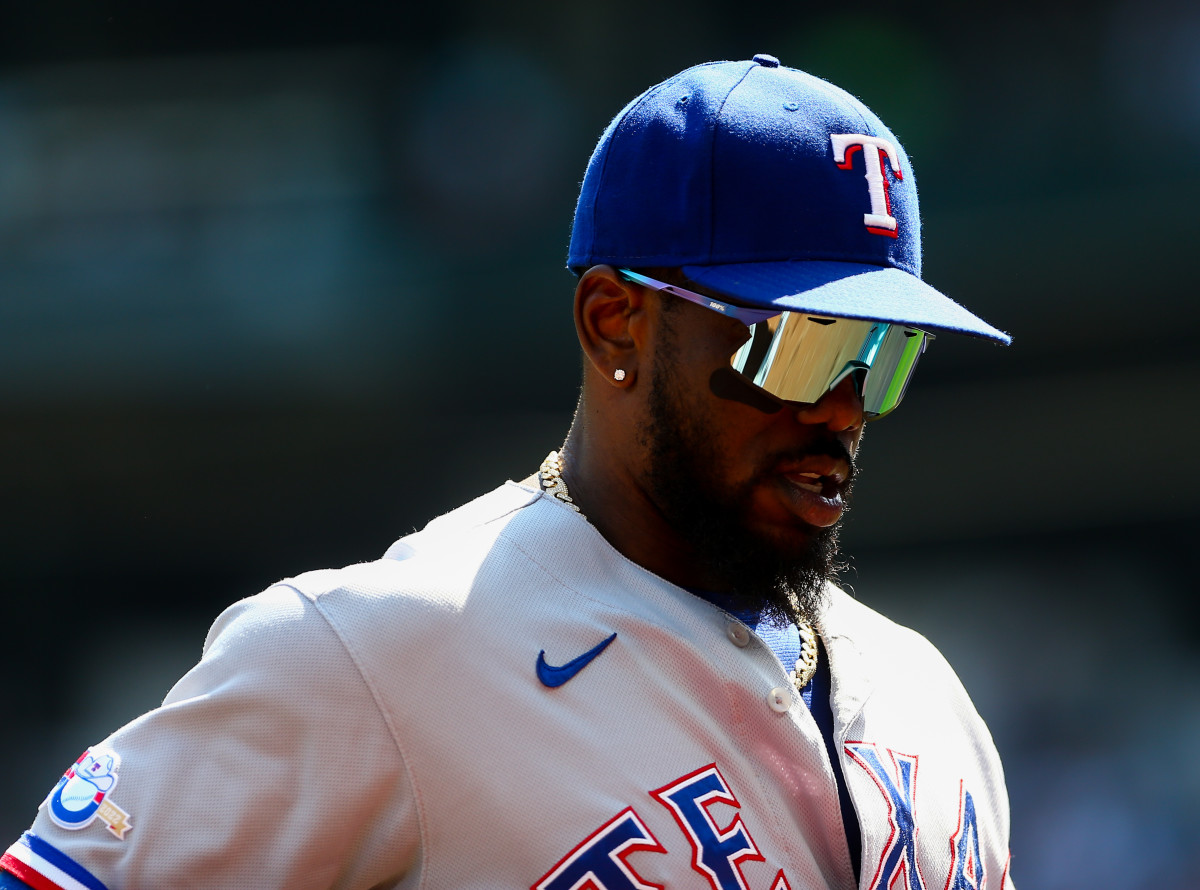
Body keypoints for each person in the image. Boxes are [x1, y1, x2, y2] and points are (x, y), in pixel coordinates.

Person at [1, 54, 1015, 890]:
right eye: (801, 347)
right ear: (616, 320)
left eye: (882, 355)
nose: (840, 407)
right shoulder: (378, 652)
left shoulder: (924, 691)